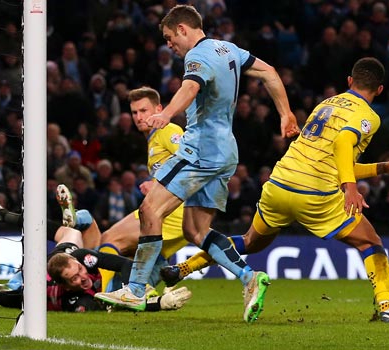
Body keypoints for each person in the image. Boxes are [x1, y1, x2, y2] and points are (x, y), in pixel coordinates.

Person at [162, 57, 389, 323]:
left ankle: (182, 268)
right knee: (371, 243)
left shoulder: (327, 104)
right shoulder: (368, 115)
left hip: (279, 183)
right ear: (380, 90)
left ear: (349, 81)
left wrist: (382, 167)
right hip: (314, 194)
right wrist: (350, 188)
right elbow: (344, 144)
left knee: (250, 241)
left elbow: (334, 160)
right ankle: (386, 308)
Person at [94, 4, 299, 324]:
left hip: (200, 150)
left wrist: (166, 113)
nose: (168, 45)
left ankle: (135, 288)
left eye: (168, 38)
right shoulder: (228, 48)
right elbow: (270, 72)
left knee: (150, 210)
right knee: (195, 229)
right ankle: (249, 278)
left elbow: (189, 87)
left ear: (182, 29)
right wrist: (285, 113)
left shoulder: (197, 56)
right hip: (226, 152)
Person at [0, 217, 192, 312]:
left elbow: (124, 264)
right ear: (64, 284)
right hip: (30, 280)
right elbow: (14, 301)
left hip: (61, 253)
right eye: (74, 279)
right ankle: (0, 285)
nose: (81, 277)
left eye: (79, 271)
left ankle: (76, 219)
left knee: (72, 234)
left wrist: (129, 289)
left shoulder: (81, 258)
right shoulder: (77, 300)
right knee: (18, 290)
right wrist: (159, 303)